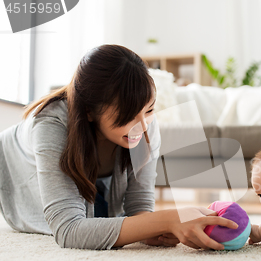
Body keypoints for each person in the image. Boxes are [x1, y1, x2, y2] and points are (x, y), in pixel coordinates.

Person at [0, 44, 237, 250]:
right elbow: (68, 230)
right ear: (89, 111)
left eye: (150, 110)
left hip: (93, 173)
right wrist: (167, 219)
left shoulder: (143, 123)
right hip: (16, 166)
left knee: (103, 218)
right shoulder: (51, 125)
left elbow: (139, 208)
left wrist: (162, 226)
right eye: (127, 116)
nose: (143, 126)